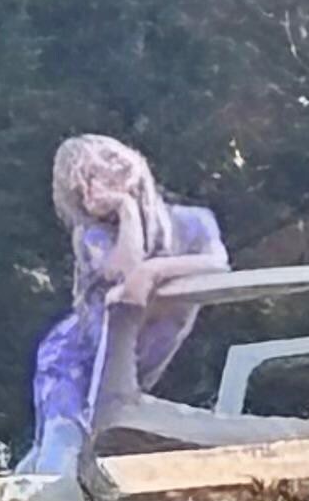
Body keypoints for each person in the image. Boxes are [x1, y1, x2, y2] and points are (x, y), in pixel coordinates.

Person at [17, 133, 228, 481]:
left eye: (109, 157)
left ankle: (11, 495)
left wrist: (154, 270)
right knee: (64, 444)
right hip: (72, 358)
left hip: (133, 359)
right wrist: (127, 210)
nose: (89, 193)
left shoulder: (194, 221)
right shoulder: (93, 237)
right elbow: (126, 274)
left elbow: (217, 265)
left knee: (76, 443)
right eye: (86, 181)